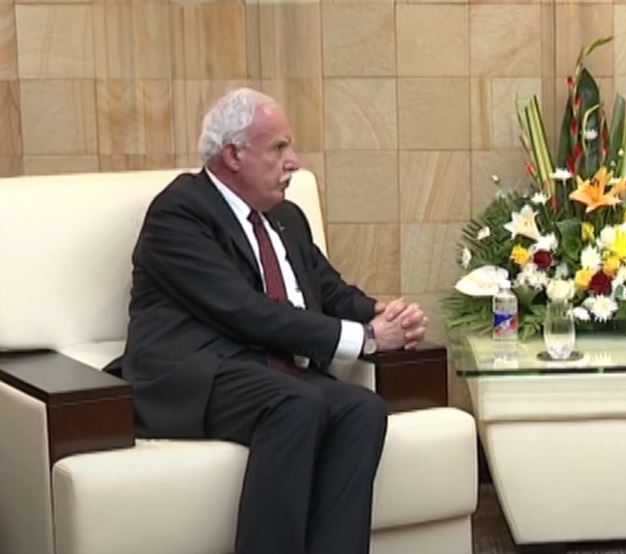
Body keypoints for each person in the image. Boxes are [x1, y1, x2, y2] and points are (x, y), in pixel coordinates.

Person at [105, 87, 428, 554]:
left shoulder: (286, 217)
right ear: (234, 154)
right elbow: (244, 311)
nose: (293, 161)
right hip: (198, 372)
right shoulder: (180, 212)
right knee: (297, 403)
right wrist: (366, 339)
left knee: (361, 409)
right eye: (278, 148)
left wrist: (381, 313)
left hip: (269, 371)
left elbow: (329, 290)